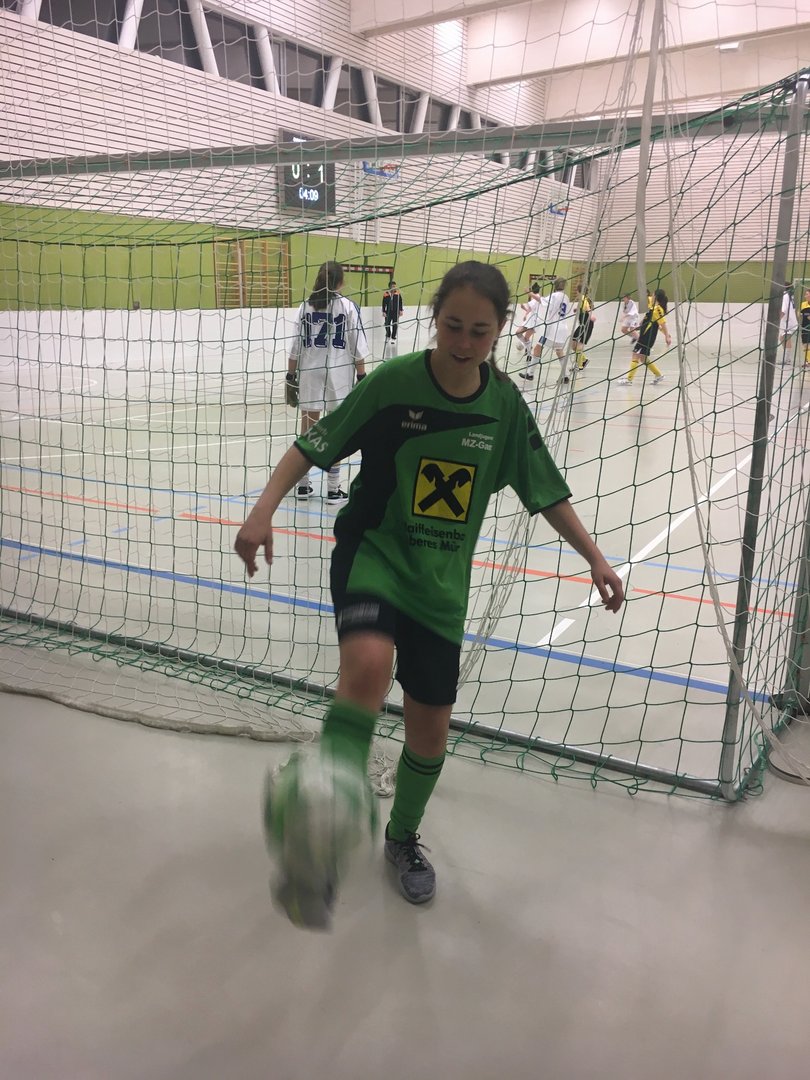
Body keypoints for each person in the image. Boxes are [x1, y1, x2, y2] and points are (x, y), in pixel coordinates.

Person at [235, 261, 625, 930]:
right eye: (452, 326)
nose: (464, 342)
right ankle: (317, 836)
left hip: (440, 585)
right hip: (375, 553)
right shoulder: (392, 384)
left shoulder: (504, 406)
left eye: (480, 331)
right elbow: (313, 445)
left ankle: (401, 837)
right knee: (366, 666)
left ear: (500, 330)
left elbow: (545, 489)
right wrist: (262, 510)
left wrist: (594, 557)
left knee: (430, 733)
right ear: (435, 318)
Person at [287, 261, 368, 503]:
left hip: (310, 373)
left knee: (308, 429)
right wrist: (362, 376)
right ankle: (333, 489)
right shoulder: (348, 307)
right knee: (336, 431)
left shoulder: (305, 306)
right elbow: (357, 346)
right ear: (340, 282)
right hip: (339, 375)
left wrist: (290, 377)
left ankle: (303, 485)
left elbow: (295, 346)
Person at [519, 276, 574, 384]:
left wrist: (529, 293)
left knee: (537, 348)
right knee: (559, 351)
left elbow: (540, 300)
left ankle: (530, 374)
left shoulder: (554, 295)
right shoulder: (566, 297)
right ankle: (565, 376)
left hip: (552, 329)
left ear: (555, 285)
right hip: (562, 329)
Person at [618, 287, 672, 385]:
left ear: (656, 296)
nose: (652, 295)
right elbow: (649, 319)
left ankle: (629, 380)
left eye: (653, 294)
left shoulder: (657, 309)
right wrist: (640, 324)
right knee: (642, 358)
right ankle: (659, 375)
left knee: (635, 355)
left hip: (647, 337)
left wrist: (667, 336)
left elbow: (662, 323)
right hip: (645, 335)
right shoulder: (653, 307)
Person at [513, 281, 545, 356]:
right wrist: (524, 309)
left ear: (532, 290)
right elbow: (531, 309)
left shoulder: (537, 297)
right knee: (518, 333)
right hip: (530, 320)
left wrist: (525, 313)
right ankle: (528, 347)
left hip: (534, 321)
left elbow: (531, 309)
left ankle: (529, 354)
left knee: (525, 338)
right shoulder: (534, 298)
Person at [572, 284, 595, 374]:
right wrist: (577, 310)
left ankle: (579, 366)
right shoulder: (583, 299)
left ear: (579, 291)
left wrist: (591, 315)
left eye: (576, 290)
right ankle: (584, 360)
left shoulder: (583, 298)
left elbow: (587, 308)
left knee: (579, 346)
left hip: (587, 325)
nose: (576, 292)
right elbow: (584, 308)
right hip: (582, 325)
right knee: (573, 343)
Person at [780, 283, 798, 365]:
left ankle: (786, 359)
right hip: (790, 321)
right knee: (782, 338)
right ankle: (787, 358)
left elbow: (783, 310)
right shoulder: (790, 296)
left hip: (788, 322)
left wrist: (776, 321)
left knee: (786, 338)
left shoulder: (784, 296)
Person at [382, 279, 404, 344]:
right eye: (393, 286)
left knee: (395, 324)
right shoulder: (386, 294)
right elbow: (383, 303)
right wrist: (383, 311)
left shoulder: (398, 293)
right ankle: (388, 335)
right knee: (387, 324)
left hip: (395, 312)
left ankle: (393, 337)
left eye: (395, 286)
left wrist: (401, 310)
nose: (394, 287)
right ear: (389, 287)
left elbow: (400, 302)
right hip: (388, 312)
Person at [800, 288, 810, 366]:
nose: (805, 296)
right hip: (804, 327)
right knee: (805, 345)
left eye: (807, 294)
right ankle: (807, 361)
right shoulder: (803, 304)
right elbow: (799, 313)